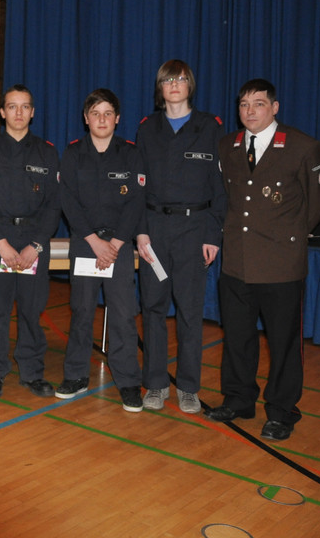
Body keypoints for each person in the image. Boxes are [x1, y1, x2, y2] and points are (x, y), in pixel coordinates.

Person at [208, 79, 320, 441]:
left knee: (283, 343)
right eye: (244, 105)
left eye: (259, 104)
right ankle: (239, 399)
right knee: (237, 337)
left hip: (281, 264)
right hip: (237, 261)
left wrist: (288, 235)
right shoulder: (227, 146)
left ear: (275, 108)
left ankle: (281, 411)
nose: (250, 111)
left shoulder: (303, 146)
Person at [135, 60, 226, 414]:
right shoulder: (147, 129)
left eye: (181, 79)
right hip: (155, 230)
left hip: (194, 229)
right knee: (153, 308)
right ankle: (156, 384)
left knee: (190, 311)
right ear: (160, 87)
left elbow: (220, 186)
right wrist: (141, 231)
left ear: (190, 85)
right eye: (168, 79)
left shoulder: (210, 127)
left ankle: (188, 387)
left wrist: (213, 234)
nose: (174, 84)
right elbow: (138, 187)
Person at [58, 89, 146, 411]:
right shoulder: (73, 153)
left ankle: (128, 382)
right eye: (95, 113)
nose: (102, 119)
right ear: (86, 118)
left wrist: (116, 243)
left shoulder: (131, 153)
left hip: (119, 245)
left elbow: (136, 201)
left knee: (123, 315)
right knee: (81, 311)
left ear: (117, 118)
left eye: (108, 113)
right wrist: (94, 242)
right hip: (86, 244)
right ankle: (76, 375)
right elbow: (68, 200)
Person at [0, 85, 61, 399]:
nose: (18, 112)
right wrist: (1, 243)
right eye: (12, 106)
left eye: (25, 106)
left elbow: (54, 204)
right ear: (2, 112)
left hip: (33, 241)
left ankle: (32, 372)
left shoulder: (46, 152)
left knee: (31, 309)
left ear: (33, 112)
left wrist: (36, 246)